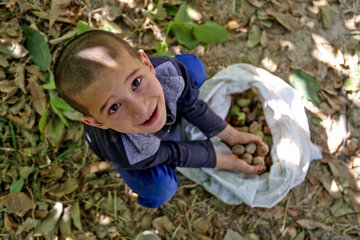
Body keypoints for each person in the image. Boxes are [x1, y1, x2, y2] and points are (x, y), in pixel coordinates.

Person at [54, 30, 267, 208]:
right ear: (97, 122)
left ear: (146, 63)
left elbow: (191, 104)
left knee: (192, 68)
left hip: (161, 95)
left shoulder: (168, 74)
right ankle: (141, 177)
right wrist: (226, 161)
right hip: (133, 147)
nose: (140, 108)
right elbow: (172, 153)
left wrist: (230, 134)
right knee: (160, 189)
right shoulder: (127, 151)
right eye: (114, 107)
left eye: (136, 83)